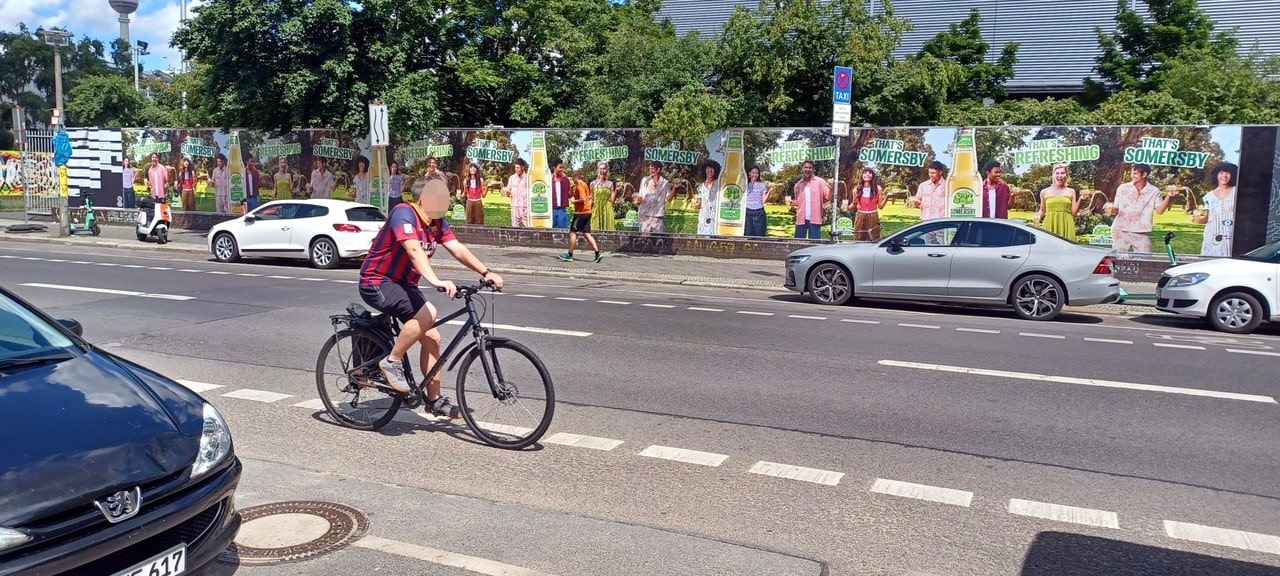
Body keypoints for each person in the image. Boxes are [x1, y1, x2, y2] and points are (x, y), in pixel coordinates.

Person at [357, 174, 506, 417]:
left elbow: (457, 248)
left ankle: (434, 401)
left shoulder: (436, 222)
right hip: (377, 282)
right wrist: (435, 280)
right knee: (430, 313)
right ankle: (391, 362)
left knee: (433, 337)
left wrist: (486, 271)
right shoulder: (404, 213)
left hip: (404, 284)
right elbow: (414, 250)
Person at [1111, 163, 1175, 253]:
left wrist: (1169, 196)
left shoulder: (1154, 191)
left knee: (1146, 258)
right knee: (1119, 259)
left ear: (1144, 174)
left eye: (1135, 173)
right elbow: (1115, 210)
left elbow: (1160, 211)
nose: (1132, 176)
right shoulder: (1122, 188)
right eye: (1131, 173)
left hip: (1141, 232)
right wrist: (1109, 209)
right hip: (1120, 230)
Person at [560, 173, 603, 263]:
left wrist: (574, 201)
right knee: (587, 233)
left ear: (576, 178)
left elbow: (583, 199)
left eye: (572, 179)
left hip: (581, 213)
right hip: (587, 212)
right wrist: (571, 188)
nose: (572, 181)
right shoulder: (581, 185)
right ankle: (597, 253)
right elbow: (570, 194)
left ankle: (570, 255)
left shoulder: (580, 186)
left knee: (572, 232)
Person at [1200, 162, 1238, 257]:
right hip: (1212, 235)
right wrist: (1198, 219)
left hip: (1231, 235)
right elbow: (1207, 218)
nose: (1224, 176)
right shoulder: (1208, 196)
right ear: (1216, 175)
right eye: (1221, 173)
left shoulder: (1237, 192)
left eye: (1227, 173)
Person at [1035, 163, 1079, 241]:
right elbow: (1042, 210)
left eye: (1062, 173)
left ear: (1066, 175)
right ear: (1053, 175)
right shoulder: (1044, 192)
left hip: (1067, 224)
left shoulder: (1071, 191)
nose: (1060, 175)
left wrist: (1081, 199)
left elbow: (1074, 213)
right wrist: (1038, 215)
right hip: (1050, 224)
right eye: (1057, 173)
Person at [790, 159, 831, 239]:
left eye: (810, 168)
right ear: (802, 168)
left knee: (814, 245)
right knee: (798, 243)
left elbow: (828, 197)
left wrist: (832, 188)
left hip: (815, 219)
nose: (807, 169)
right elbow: (798, 202)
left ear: (813, 169)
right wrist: (792, 203)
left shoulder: (820, 182)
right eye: (805, 167)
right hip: (801, 219)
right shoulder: (798, 185)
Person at [845, 167, 887, 241]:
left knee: (874, 238)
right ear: (861, 175)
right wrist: (846, 208)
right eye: (865, 172)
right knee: (858, 238)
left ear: (873, 176)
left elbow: (880, 206)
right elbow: (854, 204)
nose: (867, 174)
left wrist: (887, 197)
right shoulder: (856, 190)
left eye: (870, 173)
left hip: (873, 215)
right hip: (860, 216)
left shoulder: (878, 189)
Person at [635, 161, 673, 234]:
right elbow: (640, 197)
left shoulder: (665, 182)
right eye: (650, 169)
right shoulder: (645, 180)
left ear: (658, 169)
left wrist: (675, 189)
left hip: (657, 215)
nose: (650, 171)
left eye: (652, 169)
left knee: (659, 239)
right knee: (644, 239)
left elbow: (669, 199)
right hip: (644, 214)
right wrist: (637, 199)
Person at [589, 161, 616, 232]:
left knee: (608, 232)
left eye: (604, 168)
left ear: (607, 170)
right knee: (595, 230)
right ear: (598, 170)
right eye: (600, 169)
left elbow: (612, 201)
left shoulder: (610, 184)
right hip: (597, 208)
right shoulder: (592, 184)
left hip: (607, 208)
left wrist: (617, 191)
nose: (602, 171)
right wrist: (588, 210)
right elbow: (592, 198)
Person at [696, 160, 720, 236]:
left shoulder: (719, 184)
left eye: (712, 168)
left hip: (714, 217)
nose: (710, 171)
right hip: (703, 217)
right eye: (708, 168)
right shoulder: (701, 187)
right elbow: (699, 204)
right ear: (705, 170)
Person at [743, 166, 768, 237]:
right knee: (748, 236)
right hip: (748, 213)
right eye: (753, 173)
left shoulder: (762, 185)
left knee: (760, 237)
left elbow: (763, 201)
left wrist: (770, 191)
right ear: (749, 174)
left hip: (759, 213)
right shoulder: (745, 185)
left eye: (757, 173)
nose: (755, 175)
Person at [504, 158, 530, 227]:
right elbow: (508, 191)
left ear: (523, 167)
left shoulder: (528, 178)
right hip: (514, 206)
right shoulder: (512, 178)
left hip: (525, 207)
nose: (516, 169)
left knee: (527, 227)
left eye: (518, 168)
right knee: (515, 227)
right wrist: (507, 192)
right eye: (515, 167)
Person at [550, 158, 571, 229]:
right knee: (550, 231)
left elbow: (569, 195)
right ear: (554, 168)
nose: (561, 169)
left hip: (562, 210)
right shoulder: (549, 179)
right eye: (560, 167)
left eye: (562, 167)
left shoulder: (566, 180)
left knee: (563, 232)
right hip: (551, 210)